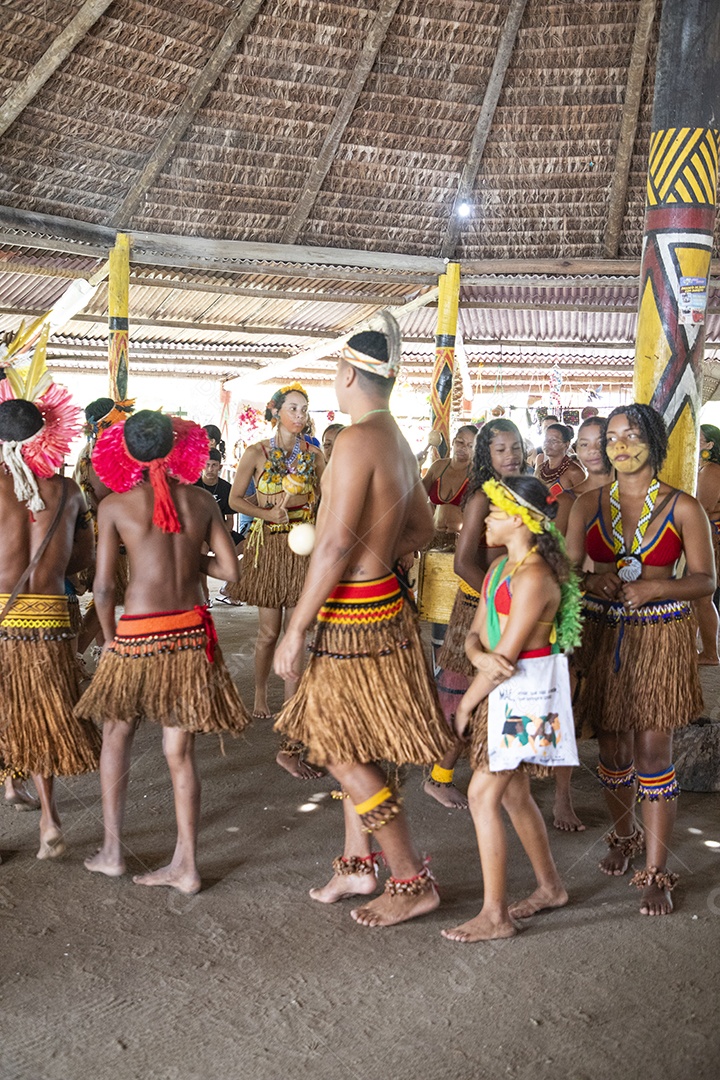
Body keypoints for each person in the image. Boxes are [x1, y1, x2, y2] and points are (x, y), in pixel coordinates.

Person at [274, 316, 453, 927]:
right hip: (386, 608)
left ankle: (410, 879)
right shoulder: (397, 440)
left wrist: (295, 629)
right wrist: (385, 553)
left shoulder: (353, 442)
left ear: (347, 373)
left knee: (334, 744)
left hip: (354, 614)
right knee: (358, 742)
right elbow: (424, 530)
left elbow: (331, 550)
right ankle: (358, 866)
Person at [75, 411, 250, 895]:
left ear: (124, 453)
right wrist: (190, 554)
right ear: (179, 451)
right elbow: (230, 573)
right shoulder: (200, 501)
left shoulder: (115, 506)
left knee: (117, 734)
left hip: (137, 634)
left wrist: (109, 638)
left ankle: (112, 852)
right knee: (179, 750)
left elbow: (105, 587)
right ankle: (187, 866)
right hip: (190, 632)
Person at [567, 404, 714, 916]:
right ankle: (624, 834)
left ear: (653, 440)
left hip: (659, 638)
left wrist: (655, 586)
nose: (620, 444)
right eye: (612, 437)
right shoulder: (587, 505)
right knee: (612, 751)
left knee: (653, 753)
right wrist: (591, 579)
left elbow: (706, 580)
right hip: (603, 634)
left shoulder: (683, 507)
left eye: (631, 435)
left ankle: (656, 868)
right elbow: (565, 573)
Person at [442, 476, 580, 943]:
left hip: (527, 696)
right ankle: (551, 888)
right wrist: (478, 656)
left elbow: (510, 658)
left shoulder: (535, 577)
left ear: (520, 519)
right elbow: (475, 635)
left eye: (494, 514)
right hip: (499, 689)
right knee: (515, 795)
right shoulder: (501, 568)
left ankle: (495, 915)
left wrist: (466, 705)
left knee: (483, 796)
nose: (483, 521)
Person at [0, 360, 100, 860]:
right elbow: (82, 559)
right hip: (54, 622)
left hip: (3, 621)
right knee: (45, 717)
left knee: (8, 717)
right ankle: (49, 820)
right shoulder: (68, 491)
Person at [228, 383, 324, 777]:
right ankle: (260, 692)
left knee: (297, 633)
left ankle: (293, 707)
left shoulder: (314, 456)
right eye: (292, 408)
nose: (299, 415)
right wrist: (266, 514)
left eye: (304, 409)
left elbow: (330, 497)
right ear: (275, 412)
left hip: (304, 548)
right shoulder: (256, 453)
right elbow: (235, 500)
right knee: (269, 633)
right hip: (268, 547)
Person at [428, 419, 525, 809]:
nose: (511, 455)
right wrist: (499, 599)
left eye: (515, 446)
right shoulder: (481, 499)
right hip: (477, 609)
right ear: (487, 455)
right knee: (464, 697)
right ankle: (440, 777)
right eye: (501, 450)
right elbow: (462, 563)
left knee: (506, 693)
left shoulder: (527, 494)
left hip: (516, 607)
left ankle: (501, 777)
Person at [551, 415, 613, 832]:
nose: (592, 450)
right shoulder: (570, 497)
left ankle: (621, 792)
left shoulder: (637, 493)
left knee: (614, 705)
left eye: (600, 442)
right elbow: (558, 559)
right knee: (568, 703)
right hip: (581, 607)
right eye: (585, 444)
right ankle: (561, 798)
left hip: (627, 610)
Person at [73, 396, 134, 663]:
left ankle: (100, 648)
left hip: (93, 530)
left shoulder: (91, 451)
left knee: (103, 592)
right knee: (104, 594)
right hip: (105, 534)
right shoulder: (103, 454)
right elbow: (108, 497)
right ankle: (75, 654)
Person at [195, 448, 243, 606]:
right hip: (198, 533)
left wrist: (221, 538)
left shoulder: (226, 488)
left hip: (220, 531)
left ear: (220, 467)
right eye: (207, 465)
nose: (210, 469)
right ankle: (204, 594)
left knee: (251, 546)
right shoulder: (193, 485)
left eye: (214, 465)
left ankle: (228, 588)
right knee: (201, 549)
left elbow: (230, 520)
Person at [694, 423, 720, 663]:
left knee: (703, 597)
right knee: (698, 598)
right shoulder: (702, 468)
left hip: (711, 534)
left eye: (698, 438)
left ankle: (711, 653)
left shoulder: (710, 470)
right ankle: (701, 649)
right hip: (707, 532)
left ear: (710, 445)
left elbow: (705, 507)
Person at [536, 423, 585, 495]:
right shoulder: (540, 469)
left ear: (566, 444)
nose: (547, 443)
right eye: (546, 439)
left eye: (553, 440)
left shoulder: (574, 472)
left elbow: (585, 502)